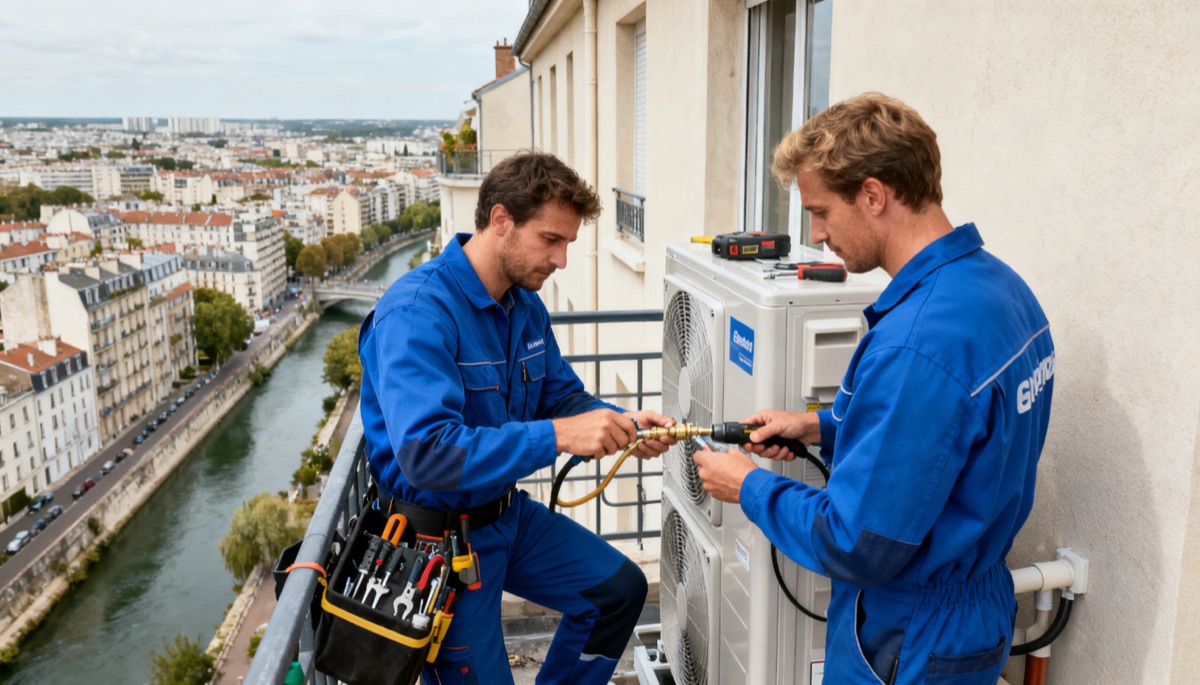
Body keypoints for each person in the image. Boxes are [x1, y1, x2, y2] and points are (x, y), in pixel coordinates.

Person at [693, 93, 1055, 684]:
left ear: (872, 195)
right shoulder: (1004, 293)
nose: (815, 232)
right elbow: (953, 436)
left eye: (820, 211)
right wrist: (818, 426)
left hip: (909, 636)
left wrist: (749, 486)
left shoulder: (916, 344)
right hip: (975, 608)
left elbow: (857, 541)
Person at [358, 151, 676, 684]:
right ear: (501, 220)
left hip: (506, 516)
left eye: (568, 243)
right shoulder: (416, 311)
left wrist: (617, 423)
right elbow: (426, 454)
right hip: (436, 544)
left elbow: (561, 397)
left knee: (617, 592)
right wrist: (560, 436)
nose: (561, 260)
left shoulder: (524, 305)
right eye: (551, 240)